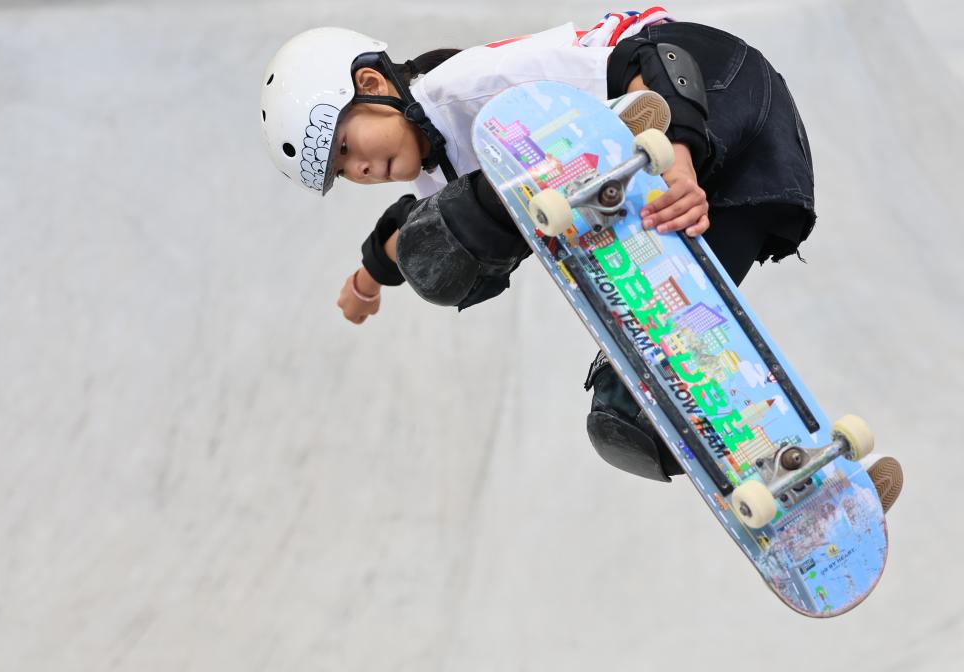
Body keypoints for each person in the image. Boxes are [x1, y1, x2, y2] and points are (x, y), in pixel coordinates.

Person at [259, 10, 903, 512]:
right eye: (344, 171)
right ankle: (818, 484)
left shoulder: (467, 86)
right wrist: (366, 280)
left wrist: (675, 151)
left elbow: (650, 54)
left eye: (348, 144)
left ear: (372, 84)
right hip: (752, 183)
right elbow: (403, 227)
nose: (361, 168)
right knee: (632, 409)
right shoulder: (438, 177)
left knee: (460, 225)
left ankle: (616, 169)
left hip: (714, 91)